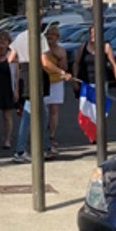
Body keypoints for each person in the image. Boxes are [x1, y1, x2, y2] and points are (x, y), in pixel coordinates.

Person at [12, 24, 73, 162]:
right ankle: (21, 150)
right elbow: (44, 62)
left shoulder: (20, 36)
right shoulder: (39, 37)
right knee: (30, 115)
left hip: (25, 73)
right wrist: (61, 72)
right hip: (36, 76)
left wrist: (24, 59)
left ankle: (45, 147)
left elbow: (11, 58)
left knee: (42, 114)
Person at [42, 23, 72, 157]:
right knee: (43, 110)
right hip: (44, 81)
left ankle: (51, 134)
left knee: (54, 110)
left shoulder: (61, 50)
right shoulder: (42, 49)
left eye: (52, 36)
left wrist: (59, 57)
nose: (50, 39)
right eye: (48, 36)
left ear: (57, 37)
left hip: (56, 82)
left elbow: (64, 67)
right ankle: (42, 133)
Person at [73, 24, 116, 95]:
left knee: (100, 101)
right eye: (91, 33)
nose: (92, 35)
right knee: (86, 101)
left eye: (95, 33)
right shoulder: (83, 47)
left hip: (101, 83)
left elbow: (114, 65)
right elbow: (76, 64)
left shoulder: (106, 47)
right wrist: (75, 80)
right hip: (85, 82)